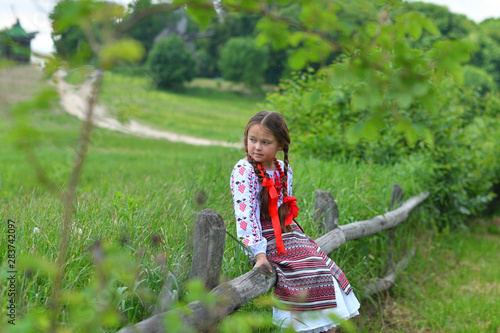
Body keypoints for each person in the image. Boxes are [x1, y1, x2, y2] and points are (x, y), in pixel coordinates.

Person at [230, 111, 360, 333]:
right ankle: (305, 327)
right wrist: (259, 254)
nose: (257, 147)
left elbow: (285, 212)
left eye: (265, 142)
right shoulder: (244, 170)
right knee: (302, 270)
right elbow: (246, 218)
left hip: (287, 232)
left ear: (280, 144)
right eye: (253, 140)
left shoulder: (283, 170)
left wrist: (296, 237)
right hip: (262, 236)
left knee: (323, 266)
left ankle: (328, 326)